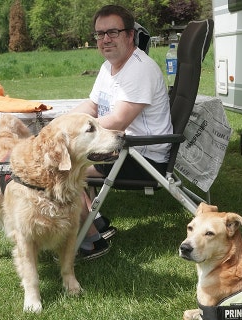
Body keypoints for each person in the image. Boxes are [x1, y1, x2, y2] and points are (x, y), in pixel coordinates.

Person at [70, 4, 173, 260]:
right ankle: (98, 224)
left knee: (64, 167)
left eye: (113, 32)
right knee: (69, 156)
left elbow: (117, 120)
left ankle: (91, 240)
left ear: (130, 35)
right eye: (100, 34)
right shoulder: (109, 66)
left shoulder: (140, 68)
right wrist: (65, 121)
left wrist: (70, 133)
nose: (105, 39)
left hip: (142, 156)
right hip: (122, 149)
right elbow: (92, 105)